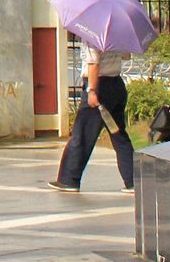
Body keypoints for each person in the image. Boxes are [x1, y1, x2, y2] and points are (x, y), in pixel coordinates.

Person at [48, 39, 135, 192]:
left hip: (98, 86)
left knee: (82, 134)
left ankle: (69, 180)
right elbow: (126, 55)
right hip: (116, 84)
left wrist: (92, 91)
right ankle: (134, 180)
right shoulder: (116, 35)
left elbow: (93, 64)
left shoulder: (92, 36)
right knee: (118, 134)